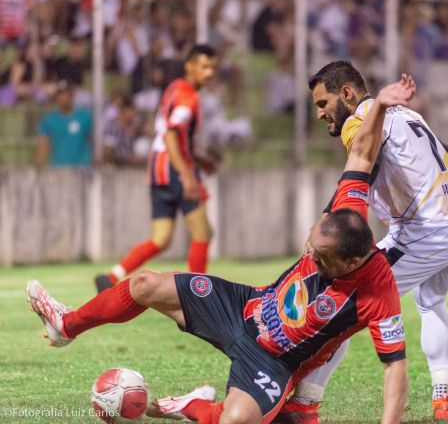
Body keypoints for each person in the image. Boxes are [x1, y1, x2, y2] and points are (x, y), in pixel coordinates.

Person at [27, 74, 416, 424]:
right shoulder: (348, 214)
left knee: (235, 421)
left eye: (321, 258)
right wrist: (379, 104)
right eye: (313, 248)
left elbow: (394, 368)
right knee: (144, 284)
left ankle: (188, 407)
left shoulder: (377, 292)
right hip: (244, 306)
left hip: (274, 362)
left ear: (351, 261)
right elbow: (362, 153)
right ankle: (67, 325)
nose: (310, 259)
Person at [275, 60, 448, 424]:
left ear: (346, 93)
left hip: (425, 231)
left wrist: (330, 217)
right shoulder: (406, 115)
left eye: (322, 103)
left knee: (346, 301)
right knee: (432, 301)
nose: (319, 114)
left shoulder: (357, 121)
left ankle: (304, 405)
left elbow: (368, 164)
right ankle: (444, 399)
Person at [94, 45, 218, 293]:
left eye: (212, 67)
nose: (209, 73)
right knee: (203, 232)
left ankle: (111, 277)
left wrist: (199, 159)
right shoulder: (188, 97)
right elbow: (172, 135)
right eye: (204, 67)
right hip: (174, 169)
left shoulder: (174, 89)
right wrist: (187, 175)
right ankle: (199, 295)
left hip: (157, 169)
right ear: (189, 67)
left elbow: (168, 134)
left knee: (160, 238)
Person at [34, 82, 93, 168]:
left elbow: (92, 140)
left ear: (72, 96)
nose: (63, 97)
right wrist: (38, 166)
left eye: (66, 94)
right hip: (59, 169)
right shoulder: (49, 119)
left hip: (82, 170)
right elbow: (43, 145)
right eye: (60, 94)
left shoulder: (85, 117)